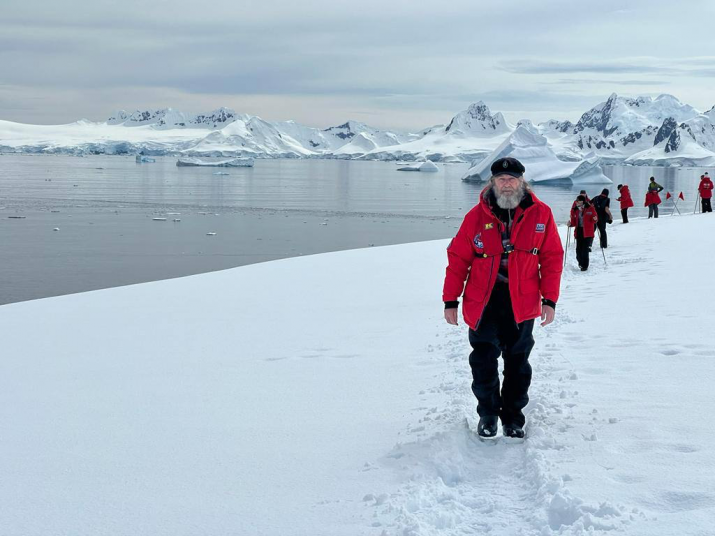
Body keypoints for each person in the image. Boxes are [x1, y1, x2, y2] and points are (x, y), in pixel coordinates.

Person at [443, 157, 563, 440]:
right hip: (483, 300)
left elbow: (552, 258)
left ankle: (513, 418)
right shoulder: (475, 216)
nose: (507, 184)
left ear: (522, 181)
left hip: (521, 300)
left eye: (512, 179)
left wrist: (550, 299)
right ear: (493, 182)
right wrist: (451, 300)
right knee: (483, 359)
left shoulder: (541, 214)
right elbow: (458, 258)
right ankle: (487, 414)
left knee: (518, 361)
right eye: (501, 179)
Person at [568, 195, 598, 271]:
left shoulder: (590, 208)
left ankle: (584, 266)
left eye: (577, 201)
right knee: (578, 250)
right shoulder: (575, 210)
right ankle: (580, 262)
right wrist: (570, 224)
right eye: (576, 201)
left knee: (585, 249)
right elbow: (574, 222)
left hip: (587, 232)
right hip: (579, 231)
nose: (576, 202)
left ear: (582, 201)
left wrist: (595, 219)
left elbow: (595, 219)